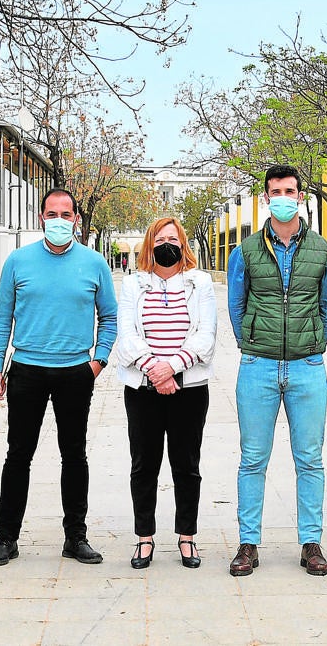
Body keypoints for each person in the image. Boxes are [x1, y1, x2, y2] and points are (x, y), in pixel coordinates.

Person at [0, 188, 117, 566]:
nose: (59, 221)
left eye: (66, 214)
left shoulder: (94, 264)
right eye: (51, 214)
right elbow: (2, 318)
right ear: (41, 217)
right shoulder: (18, 261)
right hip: (26, 370)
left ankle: (76, 536)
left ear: (76, 219)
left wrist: (98, 361)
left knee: (74, 455)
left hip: (75, 372)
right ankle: (6, 538)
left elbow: (109, 317)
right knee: (18, 456)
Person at [227, 164, 327, 577]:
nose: (283, 198)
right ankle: (248, 543)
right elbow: (236, 306)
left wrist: (314, 344)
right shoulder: (246, 250)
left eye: (290, 190)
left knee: (309, 459)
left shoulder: (323, 250)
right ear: (265, 198)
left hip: (307, 367)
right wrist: (252, 343)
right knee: (253, 459)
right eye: (275, 191)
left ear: (300, 196)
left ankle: (311, 542)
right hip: (258, 366)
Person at [114, 217, 217, 570]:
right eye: (160, 239)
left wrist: (171, 367)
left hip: (189, 389)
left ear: (183, 244)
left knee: (186, 466)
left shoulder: (199, 282)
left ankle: (187, 537)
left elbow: (206, 335)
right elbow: (125, 336)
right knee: (144, 465)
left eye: (173, 239)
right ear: (149, 244)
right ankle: (144, 538)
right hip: (143, 389)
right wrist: (154, 371)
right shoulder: (133, 285)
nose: (167, 244)